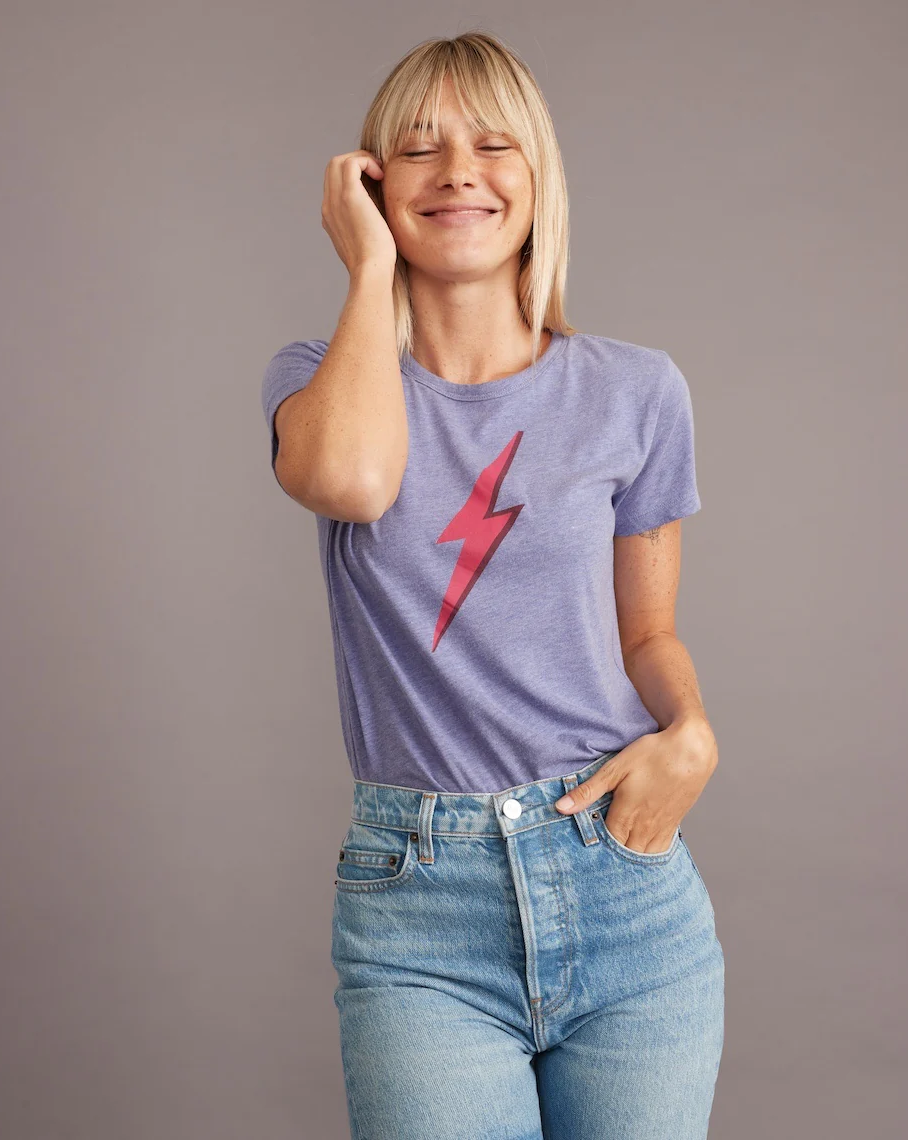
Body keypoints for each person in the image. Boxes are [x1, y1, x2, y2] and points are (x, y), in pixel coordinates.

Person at [261, 30, 724, 1140]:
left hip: (622, 882)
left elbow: (647, 632)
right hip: (419, 906)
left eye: (491, 144)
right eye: (417, 148)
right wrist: (369, 271)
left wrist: (693, 732)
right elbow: (352, 481)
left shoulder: (636, 392)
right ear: (371, 188)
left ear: (537, 179)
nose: (458, 169)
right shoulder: (311, 383)